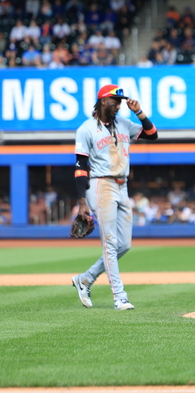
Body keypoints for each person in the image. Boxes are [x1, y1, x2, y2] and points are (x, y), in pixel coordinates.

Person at [71, 84, 158, 310]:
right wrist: (82, 202)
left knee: (125, 244)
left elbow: (152, 134)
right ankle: (120, 297)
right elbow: (80, 167)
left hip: (122, 185)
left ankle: (85, 278)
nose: (118, 105)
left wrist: (139, 112)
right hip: (101, 185)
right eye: (114, 101)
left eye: (120, 102)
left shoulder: (124, 124)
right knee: (110, 243)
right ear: (102, 102)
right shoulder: (86, 129)